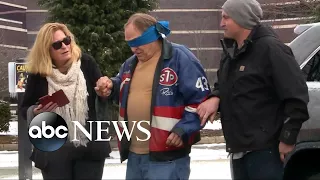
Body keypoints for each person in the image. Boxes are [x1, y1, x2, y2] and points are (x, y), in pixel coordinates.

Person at [196, 0, 310, 179]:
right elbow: (227, 85)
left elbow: (297, 97)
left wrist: (288, 138)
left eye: (226, 18)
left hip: (265, 151)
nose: (221, 23)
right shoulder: (231, 52)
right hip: (239, 149)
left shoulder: (271, 49)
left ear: (242, 19)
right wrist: (215, 97)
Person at [95, 13, 211, 180]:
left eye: (136, 42)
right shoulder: (130, 63)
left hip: (167, 157)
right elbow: (123, 85)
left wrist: (183, 130)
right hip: (135, 156)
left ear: (152, 35)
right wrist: (111, 86)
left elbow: (200, 100)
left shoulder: (180, 58)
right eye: (129, 44)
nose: (133, 49)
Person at [20, 22, 111, 180]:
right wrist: (35, 111)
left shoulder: (86, 63)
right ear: (46, 50)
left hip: (88, 145)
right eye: (57, 44)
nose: (64, 46)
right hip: (53, 146)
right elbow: (24, 108)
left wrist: (104, 91)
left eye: (67, 40)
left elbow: (102, 95)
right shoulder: (39, 73)